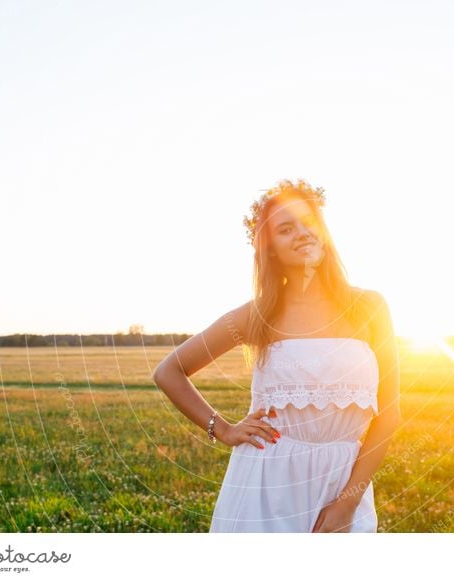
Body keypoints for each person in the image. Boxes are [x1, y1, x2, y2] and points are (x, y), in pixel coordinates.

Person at [152, 178, 401, 532]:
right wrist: (221, 429)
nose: (302, 233)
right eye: (285, 229)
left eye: (308, 222)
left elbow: (389, 415)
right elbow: (169, 371)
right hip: (265, 487)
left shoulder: (369, 307)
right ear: (268, 249)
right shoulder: (257, 316)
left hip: (342, 482)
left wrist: (347, 503)